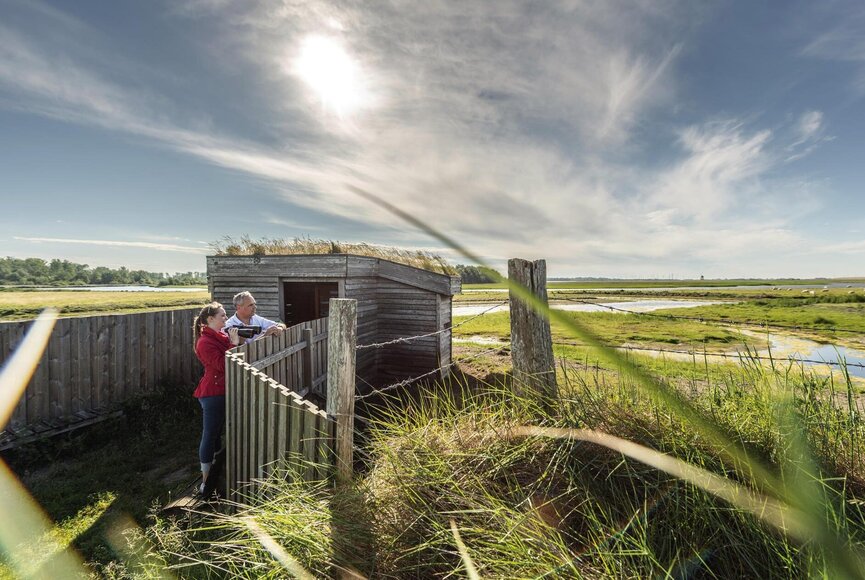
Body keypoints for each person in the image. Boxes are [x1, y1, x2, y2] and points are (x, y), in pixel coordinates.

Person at [192, 302, 240, 496]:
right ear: (210, 319)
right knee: (210, 435)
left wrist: (232, 341)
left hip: (223, 391)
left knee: (217, 435)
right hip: (213, 394)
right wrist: (234, 343)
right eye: (222, 315)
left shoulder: (220, 336)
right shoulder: (204, 342)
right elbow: (223, 365)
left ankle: (215, 475)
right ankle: (205, 481)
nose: (226, 318)